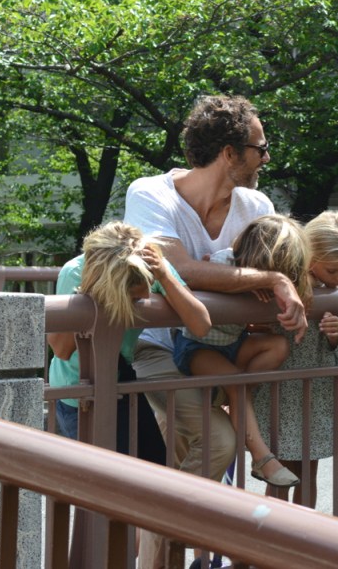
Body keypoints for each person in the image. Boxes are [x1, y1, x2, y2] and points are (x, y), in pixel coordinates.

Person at [123, 93, 308, 486]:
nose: (267, 158)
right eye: (261, 148)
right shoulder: (150, 194)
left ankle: (175, 537)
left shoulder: (256, 204)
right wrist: (273, 280)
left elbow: (290, 267)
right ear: (229, 153)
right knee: (216, 443)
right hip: (161, 348)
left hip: (223, 346)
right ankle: (172, 531)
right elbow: (180, 270)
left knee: (200, 451)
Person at [46, 220, 212, 567]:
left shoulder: (149, 265)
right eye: (135, 297)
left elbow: (200, 324)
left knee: (154, 484)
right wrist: (90, 296)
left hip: (122, 383)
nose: (143, 301)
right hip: (79, 395)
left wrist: (165, 276)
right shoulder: (75, 272)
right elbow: (61, 350)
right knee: (103, 496)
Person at [174, 214, 313, 488]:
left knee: (277, 345)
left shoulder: (270, 279)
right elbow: (193, 286)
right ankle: (262, 459)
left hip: (233, 344)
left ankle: (239, 395)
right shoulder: (221, 265)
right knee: (237, 383)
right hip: (197, 346)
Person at [253, 210, 338, 507]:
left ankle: (302, 538)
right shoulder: (284, 283)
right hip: (283, 387)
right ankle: (271, 540)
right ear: (311, 259)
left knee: (310, 470)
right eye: (333, 271)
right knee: (281, 470)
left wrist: (336, 336)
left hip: (318, 389)